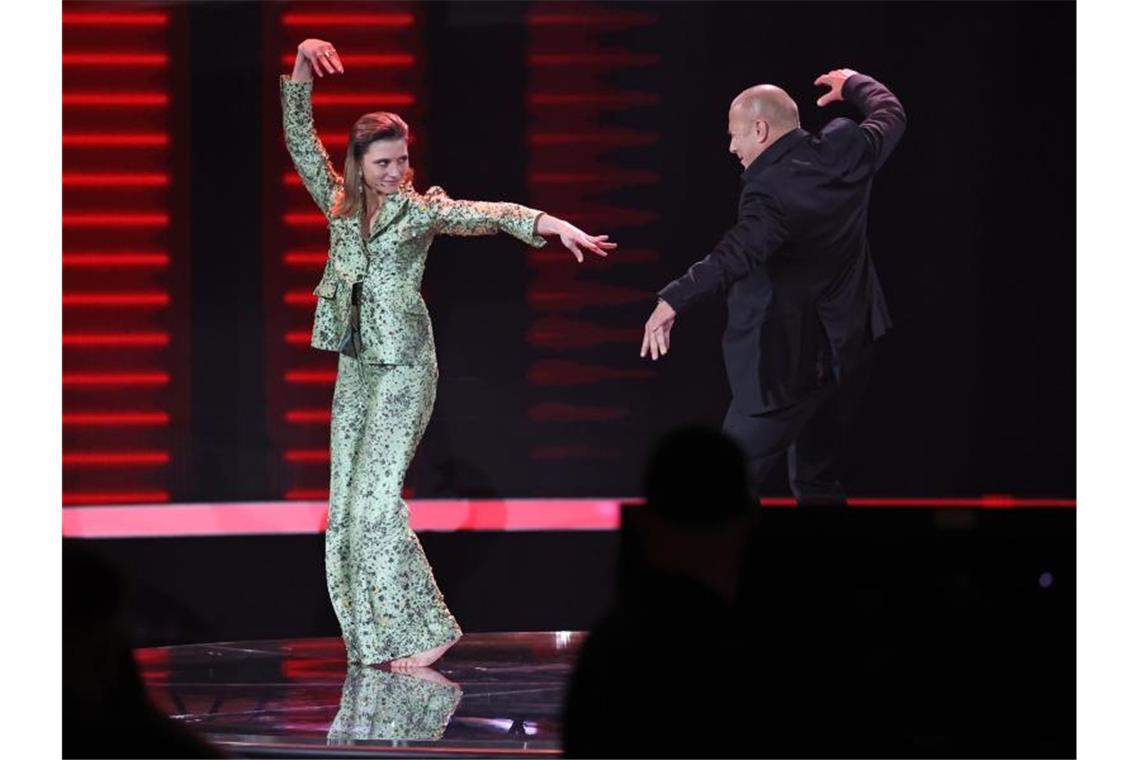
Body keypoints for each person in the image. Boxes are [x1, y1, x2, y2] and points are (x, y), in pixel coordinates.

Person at [282, 38, 617, 669]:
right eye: (383, 162)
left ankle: (428, 628)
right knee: (346, 510)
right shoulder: (339, 205)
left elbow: (483, 214)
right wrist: (302, 64)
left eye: (401, 160)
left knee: (378, 503)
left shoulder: (417, 212)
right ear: (358, 164)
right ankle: (371, 640)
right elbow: (301, 136)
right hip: (355, 367)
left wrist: (549, 222)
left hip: (406, 367)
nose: (395, 172)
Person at [640, 68, 905, 506]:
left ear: (760, 130)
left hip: (789, 366)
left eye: (735, 135)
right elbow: (890, 112)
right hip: (851, 351)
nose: (732, 147)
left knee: (722, 487)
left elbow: (736, 253)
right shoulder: (846, 148)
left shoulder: (769, 191)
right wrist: (856, 83)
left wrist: (675, 297)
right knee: (817, 482)